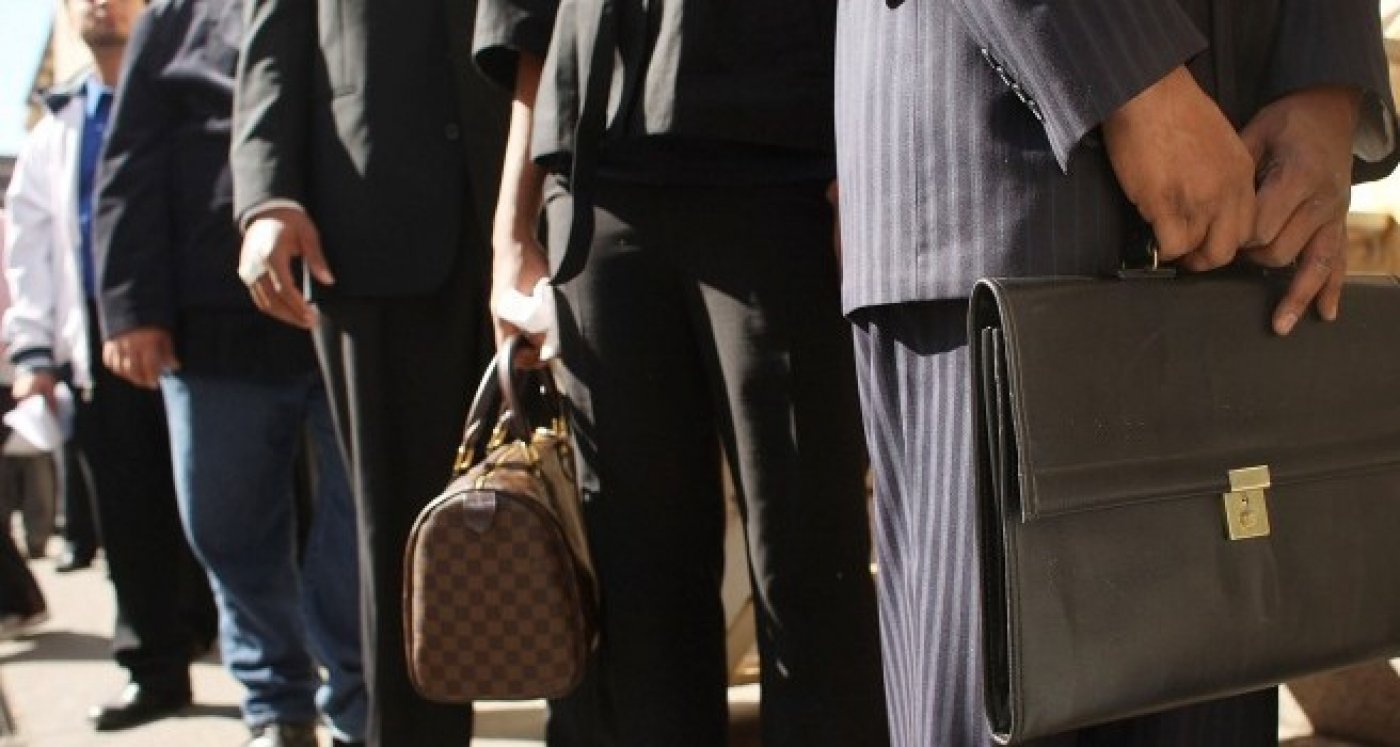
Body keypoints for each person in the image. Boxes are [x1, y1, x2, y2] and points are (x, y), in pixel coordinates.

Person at [833, 2, 1399, 745]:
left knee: (1210, 705)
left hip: (1244, 188)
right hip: (1001, 176)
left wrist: (1327, 88)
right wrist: (1129, 75)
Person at [474, 2, 889, 744]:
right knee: (636, 582)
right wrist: (511, 231)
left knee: (808, 562)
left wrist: (864, 163)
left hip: (787, 169)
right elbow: (528, 18)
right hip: (596, 174)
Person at [229, 0, 509, 742]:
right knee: (398, 546)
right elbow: (271, 48)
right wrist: (267, 197)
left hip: (538, 208)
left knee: (577, 518)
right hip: (370, 233)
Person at [96, 0, 366, 745]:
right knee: (226, 523)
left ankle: (357, 696)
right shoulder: (173, 18)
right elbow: (128, 163)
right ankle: (276, 703)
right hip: (212, 323)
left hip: (353, 304)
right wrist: (131, 309)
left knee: (359, 521)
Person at [1, 0, 217, 731]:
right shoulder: (57, 131)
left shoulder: (195, 93)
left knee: (218, 505)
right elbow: (32, 251)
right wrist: (36, 351)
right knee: (129, 516)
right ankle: (154, 667)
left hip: (202, 332)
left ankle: (222, 636)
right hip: (97, 346)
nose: (101, 3)